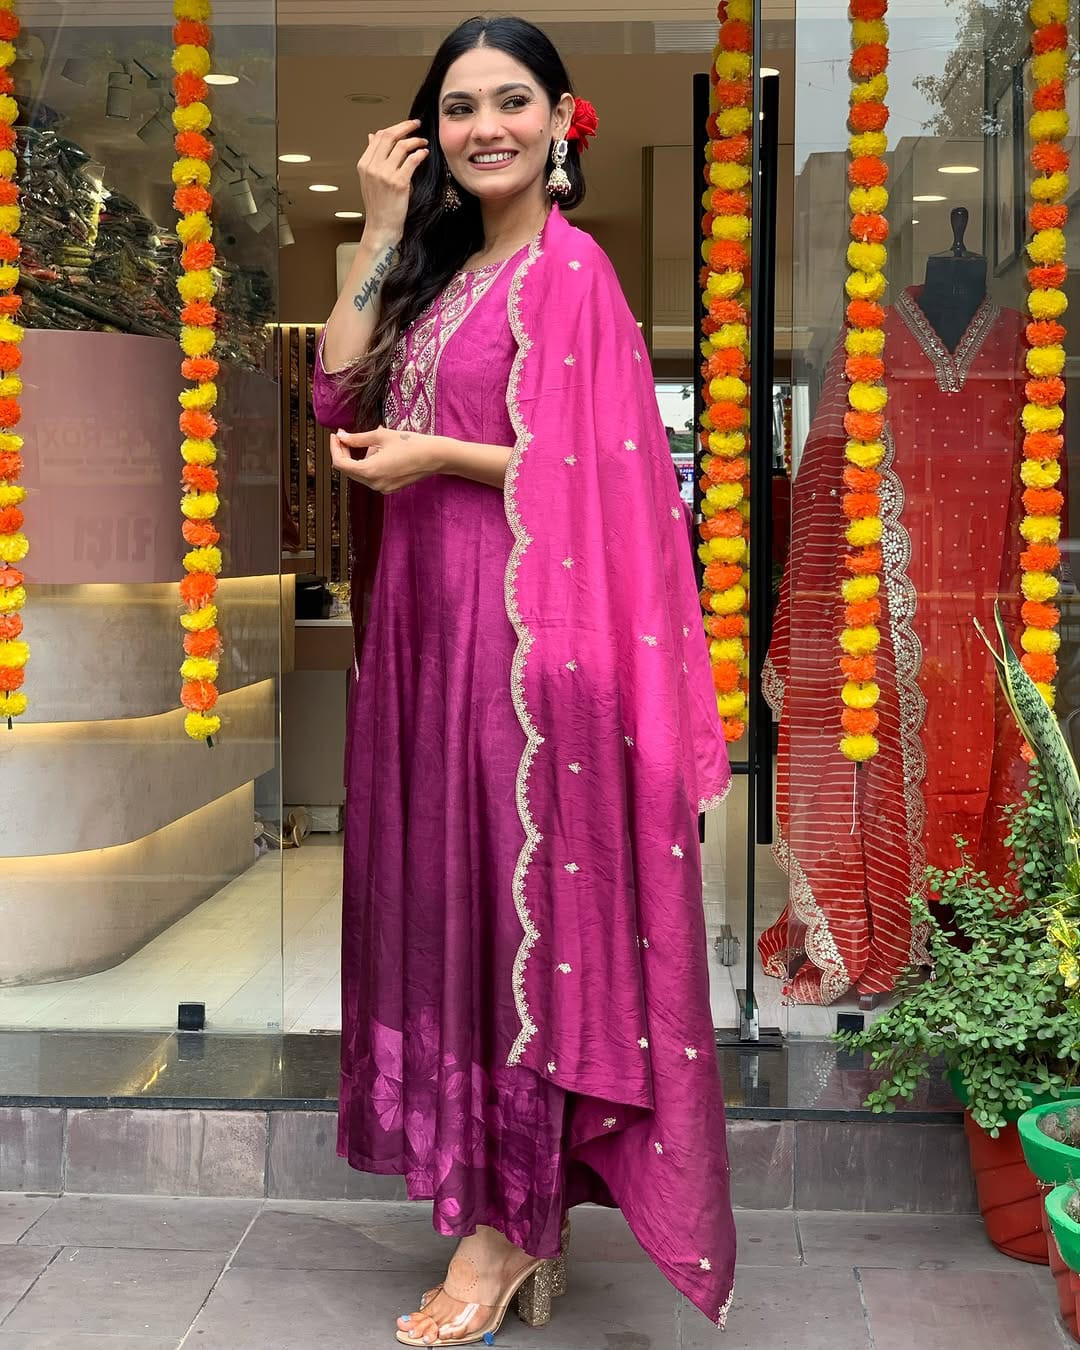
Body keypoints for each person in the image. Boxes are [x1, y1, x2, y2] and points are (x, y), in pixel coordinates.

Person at [312, 16, 736, 1346]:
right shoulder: (444, 272)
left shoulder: (571, 272)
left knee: (513, 927)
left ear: (561, 118)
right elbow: (334, 396)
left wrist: (437, 454)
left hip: (522, 651)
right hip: (425, 639)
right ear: (428, 131)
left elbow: (608, 468)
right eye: (458, 107)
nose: (484, 126)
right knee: (445, 904)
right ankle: (498, 1206)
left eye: (510, 101)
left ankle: (501, 1236)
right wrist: (382, 228)